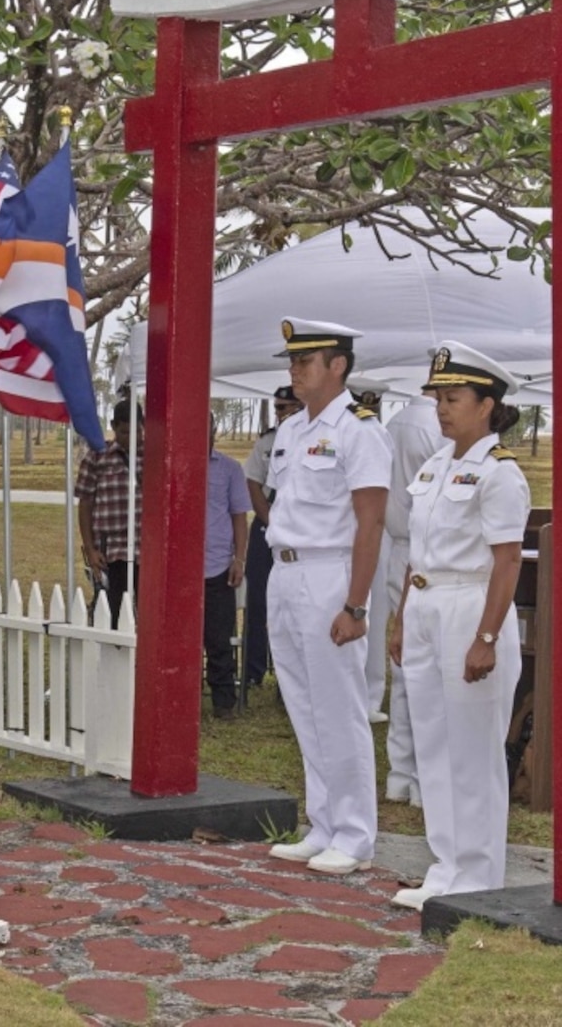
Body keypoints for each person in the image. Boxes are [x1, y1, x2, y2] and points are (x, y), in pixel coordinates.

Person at [386, 342, 528, 910]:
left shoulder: (499, 474)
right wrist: (399, 621)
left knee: (473, 750)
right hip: (425, 605)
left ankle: (478, 873)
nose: (442, 409)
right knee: (435, 744)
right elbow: (416, 554)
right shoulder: (434, 465)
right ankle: (446, 865)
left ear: (487, 405)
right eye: (438, 398)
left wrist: (487, 637)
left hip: (471, 607)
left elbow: (509, 560)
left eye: (454, 398)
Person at [263, 318, 391, 876]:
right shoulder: (291, 431)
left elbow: (371, 522)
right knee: (304, 706)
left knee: (340, 710)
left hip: (330, 575)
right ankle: (324, 823)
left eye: (305, 361)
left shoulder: (360, 430)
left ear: (337, 366)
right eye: (292, 361)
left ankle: (357, 834)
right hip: (285, 572)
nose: (294, 370)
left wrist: (356, 604)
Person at [380, 387, 443, 808]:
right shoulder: (435, 429)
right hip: (429, 553)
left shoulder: (393, 424)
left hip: (398, 546)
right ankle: (422, 776)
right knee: (429, 671)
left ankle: (401, 772)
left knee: (404, 668)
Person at [243, 386, 302, 688]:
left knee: (293, 604)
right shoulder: (267, 441)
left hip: (300, 533)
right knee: (258, 600)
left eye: (290, 406)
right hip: (268, 527)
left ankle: (287, 678)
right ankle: (253, 670)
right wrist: (270, 520)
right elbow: (253, 483)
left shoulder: (309, 440)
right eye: (279, 407)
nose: (283, 413)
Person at [348, 375, 395, 725]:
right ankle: (357, 693)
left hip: (376, 534)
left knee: (372, 614)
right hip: (340, 540)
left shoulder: (378, 437)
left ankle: (371, 693)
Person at [75, 396, 142, 628]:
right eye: (124, 432)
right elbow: (85, 504)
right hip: (112, 551)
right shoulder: (97, 456)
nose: (130, 439)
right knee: (114, 614)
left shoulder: (155, 456)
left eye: (136, 432)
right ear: (114, 427)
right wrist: (91, 549)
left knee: (149, 618)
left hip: (147, 550)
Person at [204, 413, 252, 719]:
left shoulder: (230, 469)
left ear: (214, 430)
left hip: (217, 565)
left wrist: (239, 558)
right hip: (177, 569)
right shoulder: (169, 461)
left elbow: (238, 516)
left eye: (206, 427)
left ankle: (224, 702)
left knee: (219, 638)